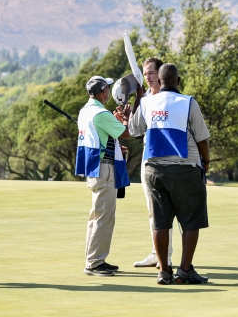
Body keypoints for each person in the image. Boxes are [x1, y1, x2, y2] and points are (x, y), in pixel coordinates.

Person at [129, 63, 210, 285]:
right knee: (191, 221)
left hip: (153, 170)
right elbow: (202, 138)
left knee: (160, 222)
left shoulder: (146, 102)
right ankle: (184, 271)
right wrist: (206, 161)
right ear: (178, 81)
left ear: (159, 81)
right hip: (185, 168)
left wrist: (137, 100)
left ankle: (164, 272)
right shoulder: (188, 102)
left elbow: (134, 130)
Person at [75, 75, 131, 276]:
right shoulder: (101, 113)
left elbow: (102, 136)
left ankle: (96, 259)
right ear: (104, 91)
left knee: (97, 215)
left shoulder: (85, 111)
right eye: (107, 88)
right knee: (103, 216)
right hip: (104, 169)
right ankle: (94, 263)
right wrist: (125, 118)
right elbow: (126, 133)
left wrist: (114, 144)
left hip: (94, 167)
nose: (108, 91)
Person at [133, 57, 174, 269]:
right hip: (148, 157)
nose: (148, 77)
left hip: (170, 158)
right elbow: (135, 130)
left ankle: (166, 256)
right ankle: (156, 253)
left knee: (167, 209)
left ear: (160, 73)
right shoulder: (145, 98)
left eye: (151, 73)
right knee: (153, 209)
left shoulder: (171, 97)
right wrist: (135, 104)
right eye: (145, 74)